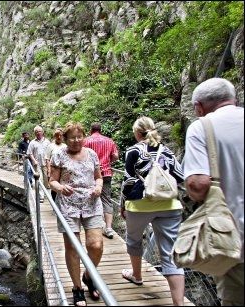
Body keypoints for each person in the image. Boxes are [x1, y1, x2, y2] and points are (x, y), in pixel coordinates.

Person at [183, 78, 244, 306]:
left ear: (199, 107)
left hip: (233, 238)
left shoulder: (202, 127)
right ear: (234, 97)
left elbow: (198, 185)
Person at [120, 116, 185, 306]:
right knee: (170, 252)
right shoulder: (166, 150)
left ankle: (137, 275)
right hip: (169, 205)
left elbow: (128, 181)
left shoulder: (134, 151)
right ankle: (179, 303)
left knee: (133, 239)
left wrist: (122, 204)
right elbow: (180, 176)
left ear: (138, 133)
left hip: (140, 204)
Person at [49, 122, 104, 305]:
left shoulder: (92, 154)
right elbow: (52, 181)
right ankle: (77, 287)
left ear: (84, 137)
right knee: (73, 247)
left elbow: (98, 177)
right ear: (65, 139)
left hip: (91, 203)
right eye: (72, 137)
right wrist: (60, 187)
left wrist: (98, 187)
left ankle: (89, 276)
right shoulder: (59, 155)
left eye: (79, 136)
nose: (76, 140)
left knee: (95, 245)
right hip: (68, 204)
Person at [84, 123, 119, 239]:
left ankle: (93, 226)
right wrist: (108, 162)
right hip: (106, 173)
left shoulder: (86, 141)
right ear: (101, 129)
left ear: (91, 130)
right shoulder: (109, 141)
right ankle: (108, 228)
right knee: (107, 200)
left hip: (91, 174)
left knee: (91, 198)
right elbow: (115, 156)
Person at [26, 126, 51, 200]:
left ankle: (46, 194)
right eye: (36, 132)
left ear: (42, 132)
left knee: (47, 180)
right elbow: (29, 153)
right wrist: (34, 161)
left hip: (46, 163)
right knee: (40, 179)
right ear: (34, 133)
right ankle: (41, 196)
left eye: (39, 131)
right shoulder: (32, 142)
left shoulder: (47, 141)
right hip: (37, 164)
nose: (38, 133)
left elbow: (50, 153)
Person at [45, 128, 67, 201]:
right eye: (57, 135)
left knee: (62, 186)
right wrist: (49, 170)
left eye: (60, 135)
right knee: (54, 187)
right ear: (54, 136)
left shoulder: (65, 146)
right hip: (53, 170)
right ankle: (54, 203)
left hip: (63, 170)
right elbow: (47, 159)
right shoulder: (50, 146)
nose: (59, 137)